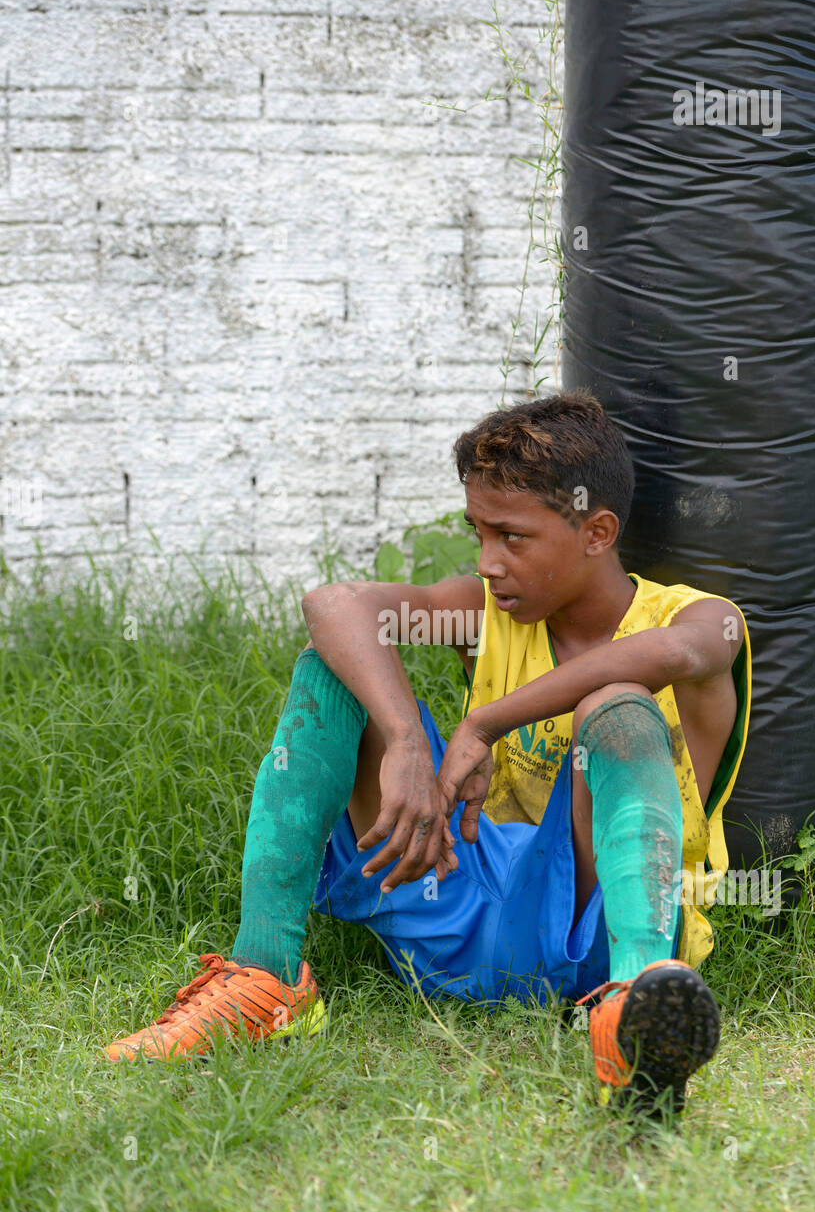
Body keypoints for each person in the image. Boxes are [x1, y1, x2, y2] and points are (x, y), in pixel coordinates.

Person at [106, 390, 751, 1115]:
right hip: (457, 890)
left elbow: (674, 651)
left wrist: (483, 724)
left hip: (590, 941)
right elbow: (335, 605)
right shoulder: (489, 611)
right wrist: (408, 740)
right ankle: (268, 978)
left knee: (616, 704)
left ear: (596, 531)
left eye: (511, 537)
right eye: (476, 532)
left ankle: (635, 1012)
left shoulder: (700, 619)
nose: (486, 562)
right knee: (331, 670)